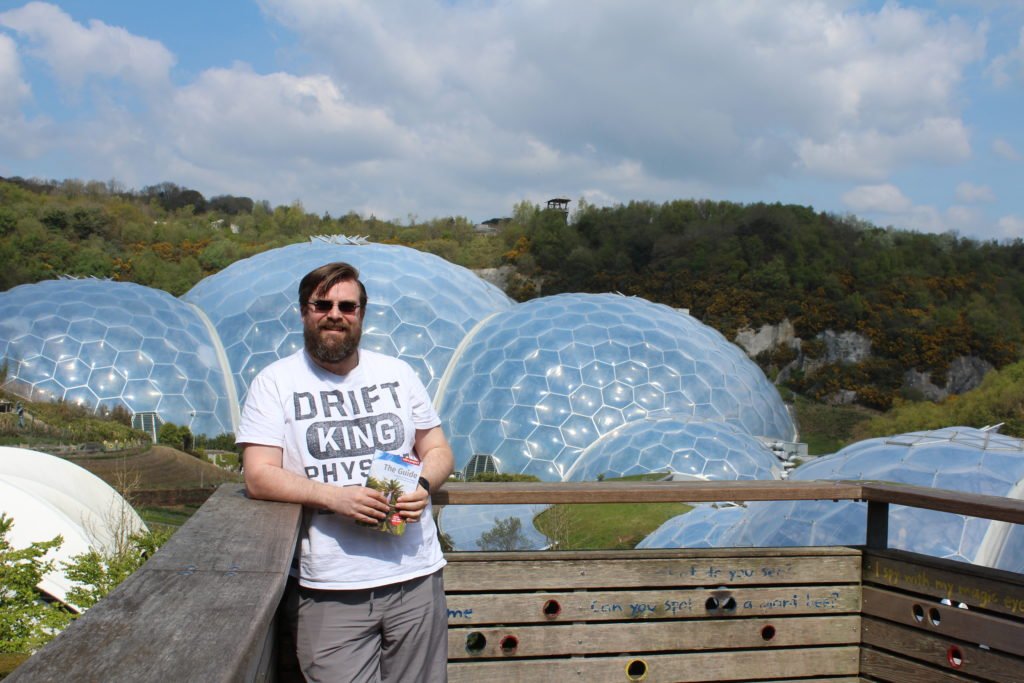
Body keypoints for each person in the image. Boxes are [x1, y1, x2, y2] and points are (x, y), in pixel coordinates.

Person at [237, 262, 453, 683]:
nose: (335, 314)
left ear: (361, 314)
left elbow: (438, 448)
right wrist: (336, 497)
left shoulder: (398, 374)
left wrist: (424, 484)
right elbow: (258, 475)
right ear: (304, 311)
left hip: (416, 574)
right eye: (323, 304)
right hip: (329, 588)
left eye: (347, 306)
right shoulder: (274, 382)